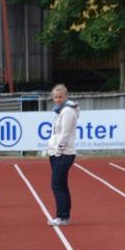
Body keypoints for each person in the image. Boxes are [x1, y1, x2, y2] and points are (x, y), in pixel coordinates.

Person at [47, 83, 79, 226]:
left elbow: (65, 133)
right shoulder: (60, 111)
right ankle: (64, 216)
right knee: (61, 185)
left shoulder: (67, 111)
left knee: (57, 185)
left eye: (60, 97)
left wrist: (58, 151)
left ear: (66, 96)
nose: (58, 99)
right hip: (58, 153)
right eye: (55, 97)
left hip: (63, 154)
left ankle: (62, 217)